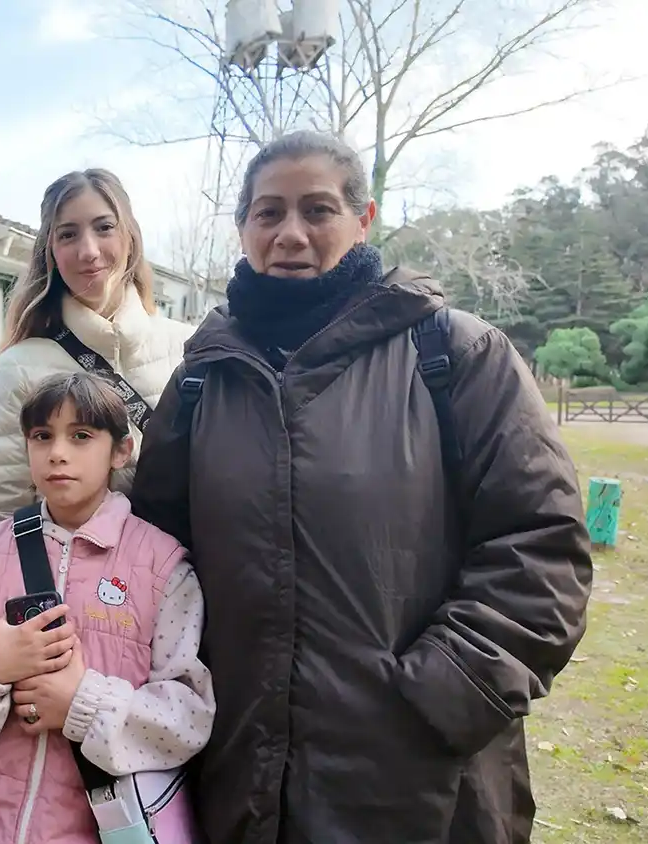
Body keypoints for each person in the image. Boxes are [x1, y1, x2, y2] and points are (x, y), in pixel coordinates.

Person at [130, 130, 594, 844]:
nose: (290, 234)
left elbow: (543, 544)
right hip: (239, 774)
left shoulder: (453, 353)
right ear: (243, 227)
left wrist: (444, 693)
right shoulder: (203, 378)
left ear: (363, 219)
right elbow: (156, 553)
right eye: (268, 213)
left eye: (317, 210)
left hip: (417, 782)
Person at [0, 371, 215, 844]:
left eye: (81, 436)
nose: (58, 452)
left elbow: (188, 716)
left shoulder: (163, 566)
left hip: (101, 831)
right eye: (42, 436)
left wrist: (82, 702)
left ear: (121, 450)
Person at [0, 169, 194, 526]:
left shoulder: (189, 349)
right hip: (63, 580)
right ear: (50, 251)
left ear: (130, 238)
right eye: (68, 234)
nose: (89, 251)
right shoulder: (17, 368)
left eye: (104, 228)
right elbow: (2, 519)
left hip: (179, 577)